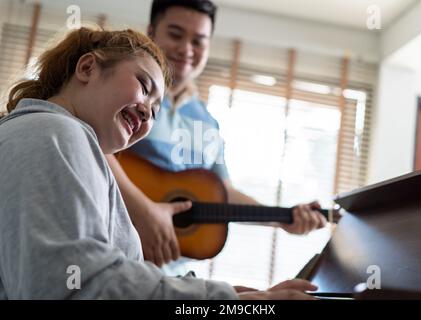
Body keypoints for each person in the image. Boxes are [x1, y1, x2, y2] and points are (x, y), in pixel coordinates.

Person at [0, 26, 319, 300]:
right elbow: (77, 286)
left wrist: (239, 297)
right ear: (87, 69)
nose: (146, 112)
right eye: (143, 86)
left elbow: (112, 278)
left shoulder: (67, 140)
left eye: (155, 110)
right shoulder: (55, 133)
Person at [105, 0, 328, 274]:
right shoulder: (128, 93)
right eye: (175, 34)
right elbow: (94, 144)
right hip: (114, 259)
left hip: (173, 278)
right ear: (151, 32)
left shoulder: (208, 122)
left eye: (199, 41)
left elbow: (222, 192)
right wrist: (145, 210)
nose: (186, 49)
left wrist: (281, 218)